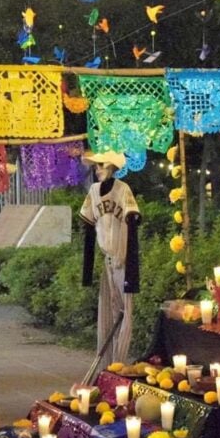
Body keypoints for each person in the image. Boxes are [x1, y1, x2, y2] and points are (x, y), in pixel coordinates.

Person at [79, 151, 141, 373]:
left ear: (113, 167)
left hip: (123, 260)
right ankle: (106, 366)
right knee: (107, 313)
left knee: (125, 313)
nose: (97, 170)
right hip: (107, 259)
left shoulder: (123, 190)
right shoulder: (94, 193)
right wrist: (86, 272)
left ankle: (119, 363)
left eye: (101, 166)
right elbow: (87, 227)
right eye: (95, 167)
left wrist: (133, 271)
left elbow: (132, 223)